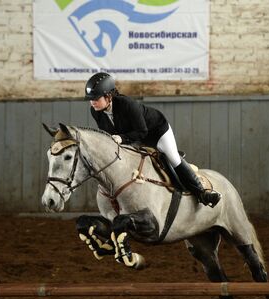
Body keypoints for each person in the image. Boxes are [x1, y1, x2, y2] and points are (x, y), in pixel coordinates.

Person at [85, 72, 221, 208]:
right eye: (90, 99)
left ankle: (202, 193)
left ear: (108, 96)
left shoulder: (127, 105)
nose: (92, 102)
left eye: (96, 98)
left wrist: (121, 138)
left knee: (173, 158)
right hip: (133, 138)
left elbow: (142, 131)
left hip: (157, 132)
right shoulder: (95, 111)